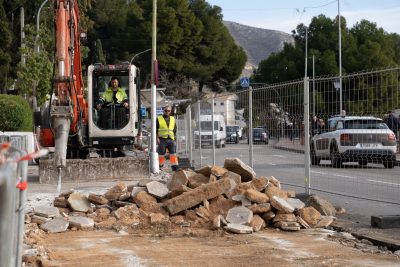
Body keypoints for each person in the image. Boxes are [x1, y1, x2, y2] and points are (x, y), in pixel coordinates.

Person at [156, 104, 179, 171]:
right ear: (163, 111)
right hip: (162, 139)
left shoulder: (172, 119)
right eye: (165, 110)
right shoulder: (159, 119)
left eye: (168, 111)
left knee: (173, 154)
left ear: (170, 111)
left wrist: (174, 138)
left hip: (171, 140)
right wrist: (157, 138)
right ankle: (159, 166)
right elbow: (156, 129)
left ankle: (174, 167)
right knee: (161, 154)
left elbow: (175, 129)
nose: (167, 112)